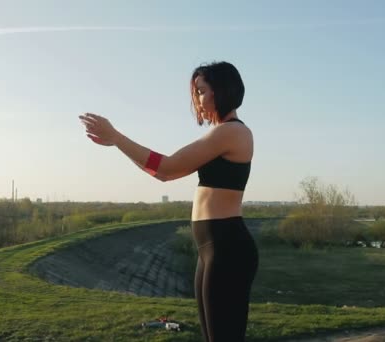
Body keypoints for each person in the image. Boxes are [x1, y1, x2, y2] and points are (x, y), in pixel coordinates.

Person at [79, 61, 258, 342]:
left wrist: (116, 138)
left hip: (227, 248)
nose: (196, 99)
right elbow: (161, 173)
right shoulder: (220, 133)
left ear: (220, 91)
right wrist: (118, 142)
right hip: (212, 249)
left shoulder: (232, 132)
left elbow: (166, 168)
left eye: (201, 91)